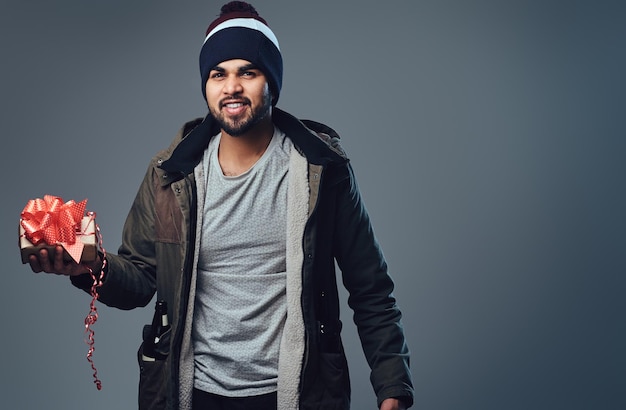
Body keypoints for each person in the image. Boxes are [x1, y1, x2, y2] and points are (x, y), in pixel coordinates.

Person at [27, 2, 414, 409]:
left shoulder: (322, 171)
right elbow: (141, 279)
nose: (231, 87)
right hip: (194, 391)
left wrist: (393, 389)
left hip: (296, 393)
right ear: (206, 84)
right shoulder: (171, 174)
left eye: (248, 71)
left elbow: (371, 288)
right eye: (218, 74)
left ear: (272, 81)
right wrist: (89, 265)